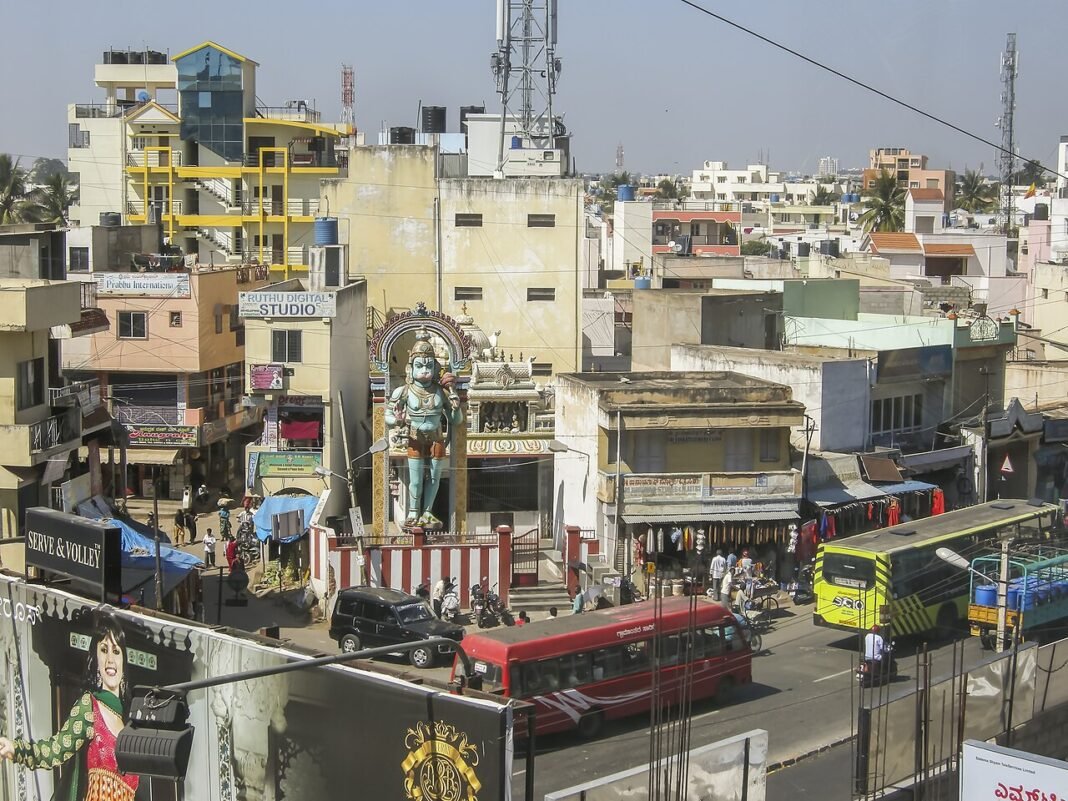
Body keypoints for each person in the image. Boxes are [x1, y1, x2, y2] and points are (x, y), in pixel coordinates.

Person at [0, 609, 138, 801]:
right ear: (95, 657)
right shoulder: (90, 707)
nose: (110, 660)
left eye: (116, 651)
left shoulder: (130, 721)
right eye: (103, 649)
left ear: (123, 659)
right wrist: (16, 749)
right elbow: (56, 749)